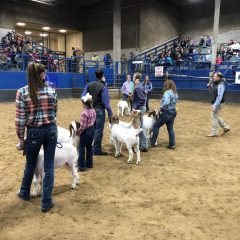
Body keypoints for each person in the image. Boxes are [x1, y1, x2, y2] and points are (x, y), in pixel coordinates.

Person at [16, 62, 58, 213]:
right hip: (51, 130)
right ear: (41, 75)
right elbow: (55, 113)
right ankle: (46, 202)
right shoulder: (51, 90)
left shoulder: (22, 92)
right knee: (49, 166)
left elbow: (20, 120)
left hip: (33, 132)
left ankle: (24, 192)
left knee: (30, 164)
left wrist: (21, 139)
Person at [81, 69, 112, 155]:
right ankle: (97, 149)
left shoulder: (89, 85)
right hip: (99, 111)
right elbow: (106, 104)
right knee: (98, 130)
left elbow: (83, 96)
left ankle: (89, 147)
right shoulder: (103, 86)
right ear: (102, 76)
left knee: (90, 129)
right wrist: (110, 115)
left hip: (90, 109)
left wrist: (87, 105)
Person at [150, 79, 178, 149]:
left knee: (156, 126)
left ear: (167, 85)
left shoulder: (167, 93)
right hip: (173, 111)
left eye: (165, 85)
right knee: (170, 128)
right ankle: (172, 144)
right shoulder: (175, 93)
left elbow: (166, 102)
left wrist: (161, 107)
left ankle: (152, 142)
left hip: (167, 112)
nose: (164, 86)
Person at [77, 93, 96, 171]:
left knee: (81, 147)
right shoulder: (93, 110)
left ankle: (81, 166)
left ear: (84, 104)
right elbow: (94, 120)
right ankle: (89, 163)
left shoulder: (84, 113)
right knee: (89, 147)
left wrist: (78, 132)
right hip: (92, 130)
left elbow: (83, 126)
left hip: (85, 132)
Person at [207, 72, 230, 137]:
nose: (213, 77)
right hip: (217, 102)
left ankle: (214, 132)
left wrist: (214, 105)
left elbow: (219, 97)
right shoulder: (216, 83)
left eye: (214, 76)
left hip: (219, 103)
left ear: (219, 77)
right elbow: (213, 92)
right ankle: (226, 127)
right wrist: (209, 86)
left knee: (214, 116)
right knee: (215, 116)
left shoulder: (221, 85)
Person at [132, 72, 148, 152]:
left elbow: (143, 99)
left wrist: (135, 107)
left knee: (139, 127)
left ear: (136, 79)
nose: (132, 78)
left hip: (140, 109)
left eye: (133, 77)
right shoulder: (140, 86)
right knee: (139, 126)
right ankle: (140, 144)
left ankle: (144, 145)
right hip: (141, 108)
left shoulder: (138, 87)